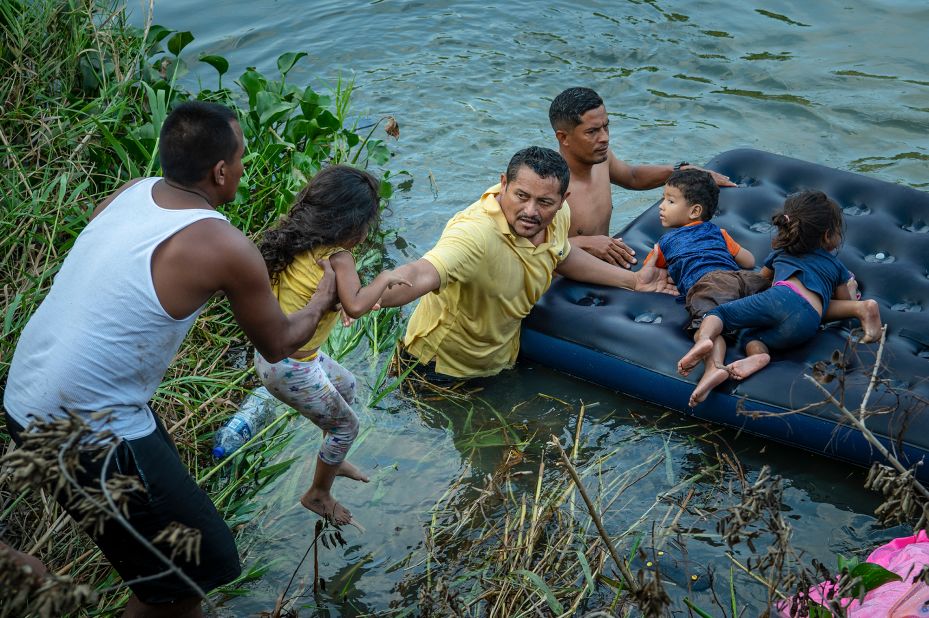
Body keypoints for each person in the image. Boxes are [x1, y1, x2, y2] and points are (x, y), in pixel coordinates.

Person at [3, 101, 339, 618]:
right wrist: (322, 297)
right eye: (242, 158)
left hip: (25, 394)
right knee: (194, 571)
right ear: (220, 171)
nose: (244, 167)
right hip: (84, 426)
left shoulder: (132, 192)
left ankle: (25, 567)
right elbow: (279, 343)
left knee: (164, 549)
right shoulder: (224, 244)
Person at [377, 146, 677, 382]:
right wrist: (375, 295)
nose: (531, 211)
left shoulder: (559, 216)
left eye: (544, 202)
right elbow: (422, 272)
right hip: (438, 369)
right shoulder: (475, 234)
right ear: (503, 184)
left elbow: (561, 255)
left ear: (563, 199)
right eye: (521, 196)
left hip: (501, 359)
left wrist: (634, 281)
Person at [255, 165, 410, 525]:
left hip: (278, 356)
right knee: (347, 426)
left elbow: (316, 294)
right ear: (353, 225)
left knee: (347, 385)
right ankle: (318, 493)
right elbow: (357, 303)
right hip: (291, 367)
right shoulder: (340, 257)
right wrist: (386, 278)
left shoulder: (294, 241)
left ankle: (333, 459)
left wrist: (337, 302)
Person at [677, 190, 883, 407]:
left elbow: (761, 279)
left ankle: (706, 339)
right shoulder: (836, 266)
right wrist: (851, 289)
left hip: (779, 298)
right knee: (753, 338)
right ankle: (863, 308)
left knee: (719, 314)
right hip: (809, 321)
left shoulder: (781, 253)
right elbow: (842, 299)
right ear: (827, 235)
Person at [548, 86, 736, 267]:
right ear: (563, 138)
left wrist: (680, 171)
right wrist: (583, 242)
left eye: (606, 127)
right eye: (592, 131)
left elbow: (632, 177)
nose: (605, 138)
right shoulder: (549, 186)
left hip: (605, 265)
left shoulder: (600, 159)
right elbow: (532, 248)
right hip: (561, 285)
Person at [641, 168, 770, 402]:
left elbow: (647, 273)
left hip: (709, 285)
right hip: (743, 279)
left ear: (695, 211)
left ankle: (714, 364)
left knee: (709, 323)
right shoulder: (719, 233)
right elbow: (749, 261)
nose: (661, 206)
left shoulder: (664, 243)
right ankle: (758, 354)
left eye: (669, 200)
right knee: (758, 321)